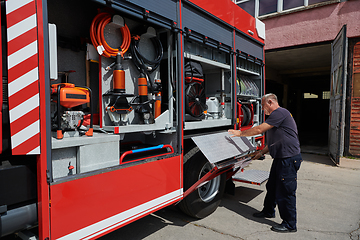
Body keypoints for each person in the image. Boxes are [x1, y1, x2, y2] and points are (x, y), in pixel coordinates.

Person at [228, 93, 302, 233]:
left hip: (289, 159)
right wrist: (261, 153)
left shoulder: (280, 112)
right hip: (281, 158)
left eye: (263, 106)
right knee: (272, 186)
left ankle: (290, 224)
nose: (262, 109)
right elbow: (276, 142)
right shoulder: (277, 117)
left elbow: (258, 129)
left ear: (270, 102)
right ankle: (268, 211)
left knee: (286, 192)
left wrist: (240, 134)